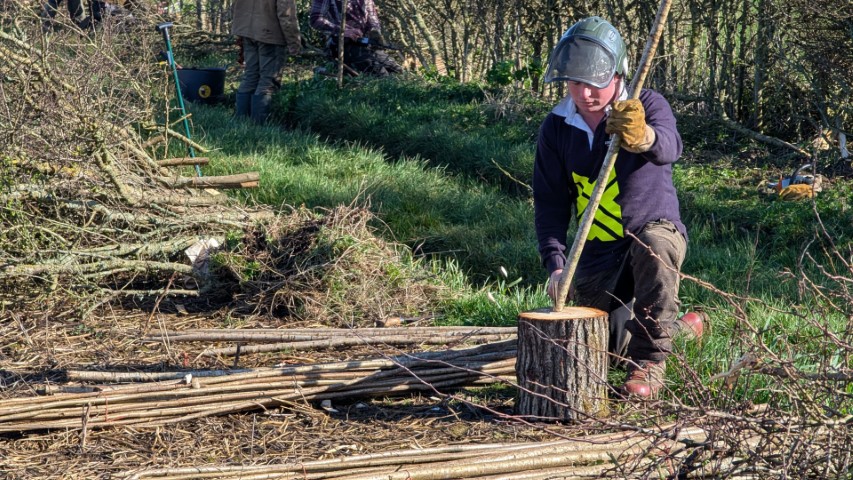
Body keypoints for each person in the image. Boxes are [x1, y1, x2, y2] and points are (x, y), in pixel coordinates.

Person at [533, 16, 704, 398]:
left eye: (594, 83)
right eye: (575, 83)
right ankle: (686, 328)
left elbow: (670, 147)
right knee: (602, 348)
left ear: (617, 73)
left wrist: (643, 136)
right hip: (597, 250)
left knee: (656, 247)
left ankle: (650, 364)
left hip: (651, 229)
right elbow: (550, 202)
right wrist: (558, 265)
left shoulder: (647, 103)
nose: (585, 94)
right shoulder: (556, 127)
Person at [231, 0, 301, 123]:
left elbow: (235, 6)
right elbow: (286, 14)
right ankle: (261, 125)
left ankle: (241, 121)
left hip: (247, 31)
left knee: (251, 76)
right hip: (270, 34)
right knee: (268, 81)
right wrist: (294, 42)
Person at [309, 0, 401, 76]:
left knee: (397, 71)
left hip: (364, 44)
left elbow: (373, 19)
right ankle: (336, 69)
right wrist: (342, 30)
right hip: (340, 44)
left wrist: (375, 32)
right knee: (381, 74)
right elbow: (315, 19)